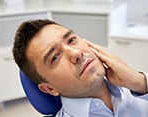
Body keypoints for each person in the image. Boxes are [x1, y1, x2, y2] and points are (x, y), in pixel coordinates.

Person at [12, 19, 148, 117]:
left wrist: (140, 82)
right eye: (55, 57)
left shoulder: (139, 88)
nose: (76, 53)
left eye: (71, 40)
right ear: (49, 89)